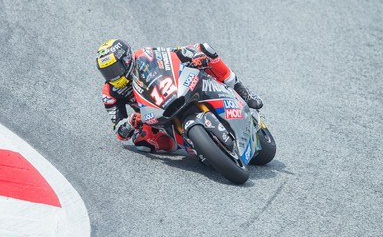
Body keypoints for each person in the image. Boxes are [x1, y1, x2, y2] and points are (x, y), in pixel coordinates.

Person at [96, 39, 263, 153]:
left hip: (176, 90)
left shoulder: (145, 55)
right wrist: (129, 123)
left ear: (126, 60)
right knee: (142, 141)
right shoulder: (110, 93)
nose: (112, 76)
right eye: (107, 72)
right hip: (153, 116)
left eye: (114, 69)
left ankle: (241, 90)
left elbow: (173, 55)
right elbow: (119, 131)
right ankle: (186, 145)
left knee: (204, 49)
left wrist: (193, 56)